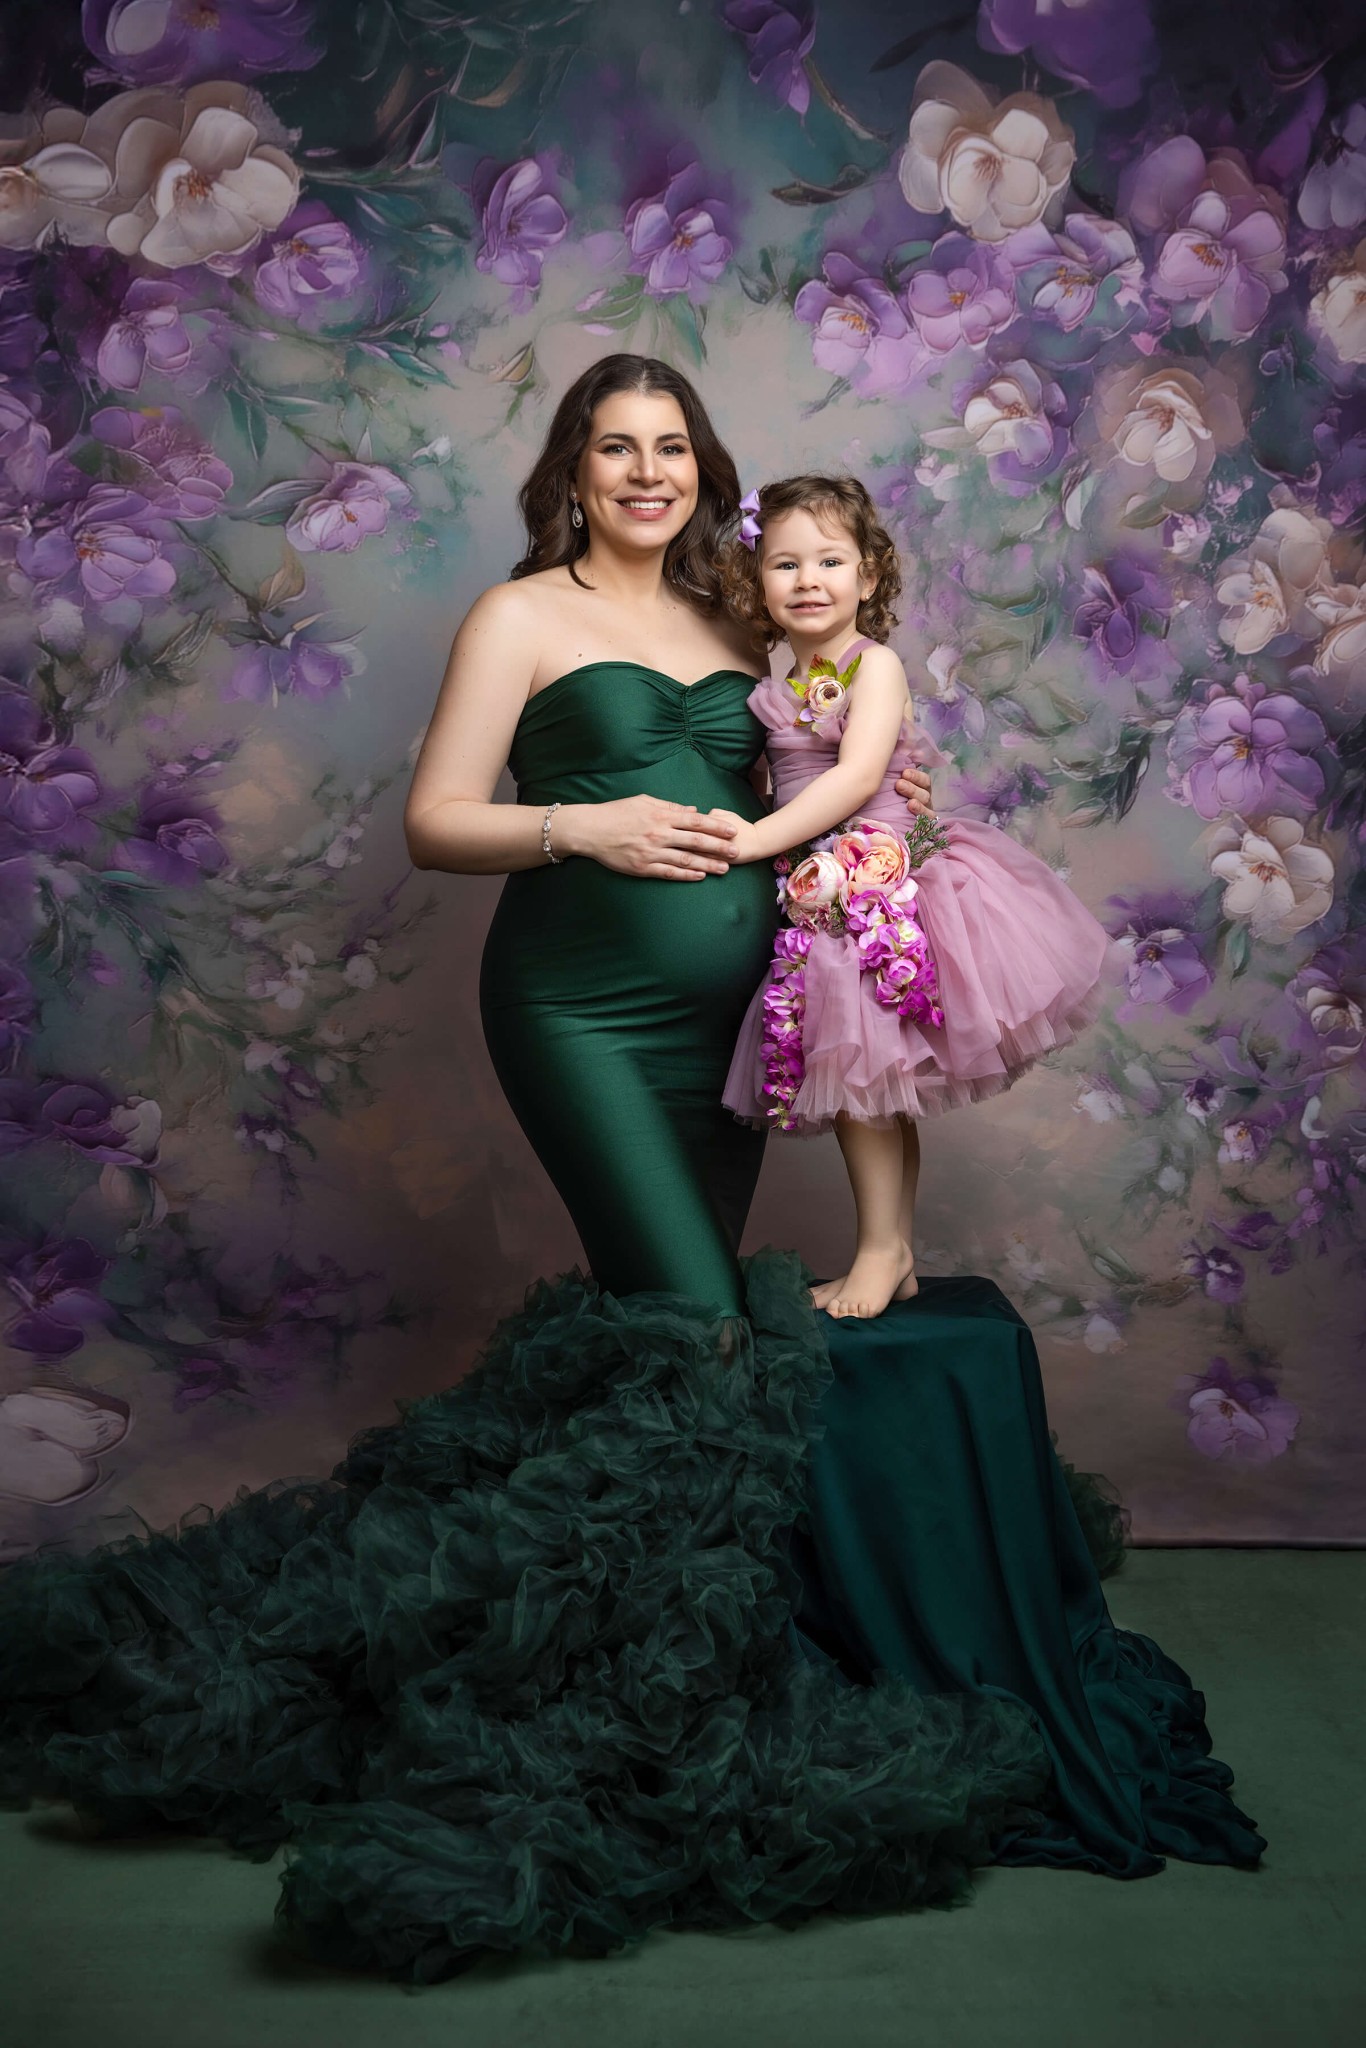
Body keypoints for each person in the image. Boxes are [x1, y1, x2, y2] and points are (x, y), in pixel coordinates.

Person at [0, 356, 1263, 1986]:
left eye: (673, 448)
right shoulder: (522, 618)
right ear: (574, 469)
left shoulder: (754, 613)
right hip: (578, 1010)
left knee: (659, 1357)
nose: (647, 472)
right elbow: (438, 819)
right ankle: (618, 1702)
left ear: (705, 469)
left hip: (740, 1029)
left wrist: (897, 820)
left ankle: (622, 1645)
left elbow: (841, 751)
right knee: (696, 1324)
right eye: (619, 448)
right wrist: (581, 829)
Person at [717, 475, 1110, 1319]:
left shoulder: (876, 664)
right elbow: (776, 776)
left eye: (831, 559)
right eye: (785, 564)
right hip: (822, 883)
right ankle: (892, 1251)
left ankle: (880, 1248)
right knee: (880, 1084)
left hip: (885, 882)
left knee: (867, 1076)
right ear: (759, 586)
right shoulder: (772, 684)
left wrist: (759, 840)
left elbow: (858, 775)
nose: (809, 579)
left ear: (869, 575)